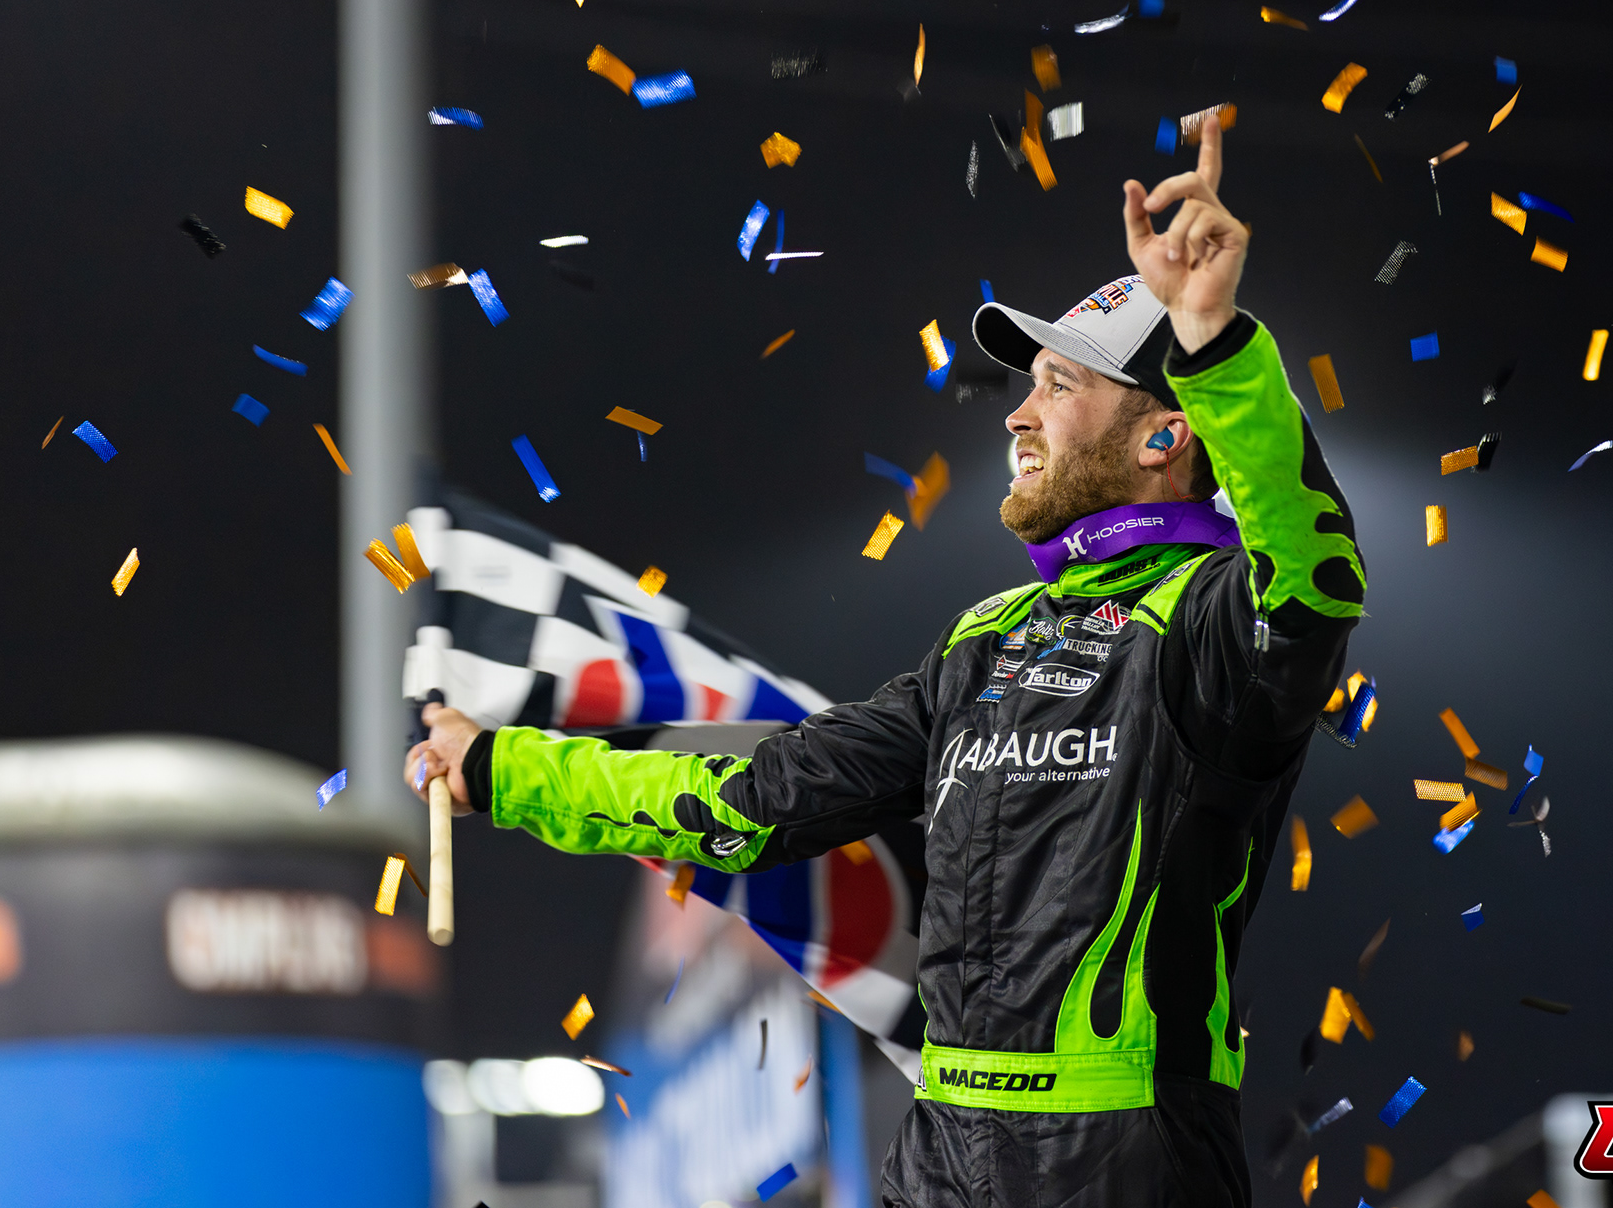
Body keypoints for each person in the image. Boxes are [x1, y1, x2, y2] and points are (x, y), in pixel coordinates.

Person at [407, 117, 1364, 1207]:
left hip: (1125, 1157)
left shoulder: (1212, 623)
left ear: (1163, 437)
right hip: (939, 1157)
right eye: (1032, 383)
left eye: (1060, 386)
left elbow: (1315, 581)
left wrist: (1218, 350)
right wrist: (503, 772)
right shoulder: (980, 642)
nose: (1018, 413)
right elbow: (757, 796)